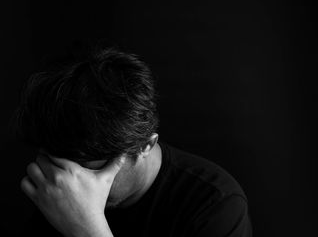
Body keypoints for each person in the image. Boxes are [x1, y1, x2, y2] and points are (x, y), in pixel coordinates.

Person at [12, 43, 253, 237]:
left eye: (87, 167)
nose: (70, 181)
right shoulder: (53, 184)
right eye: (57, 162)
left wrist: (87, 230)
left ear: (144, 145)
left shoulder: (216, 205)